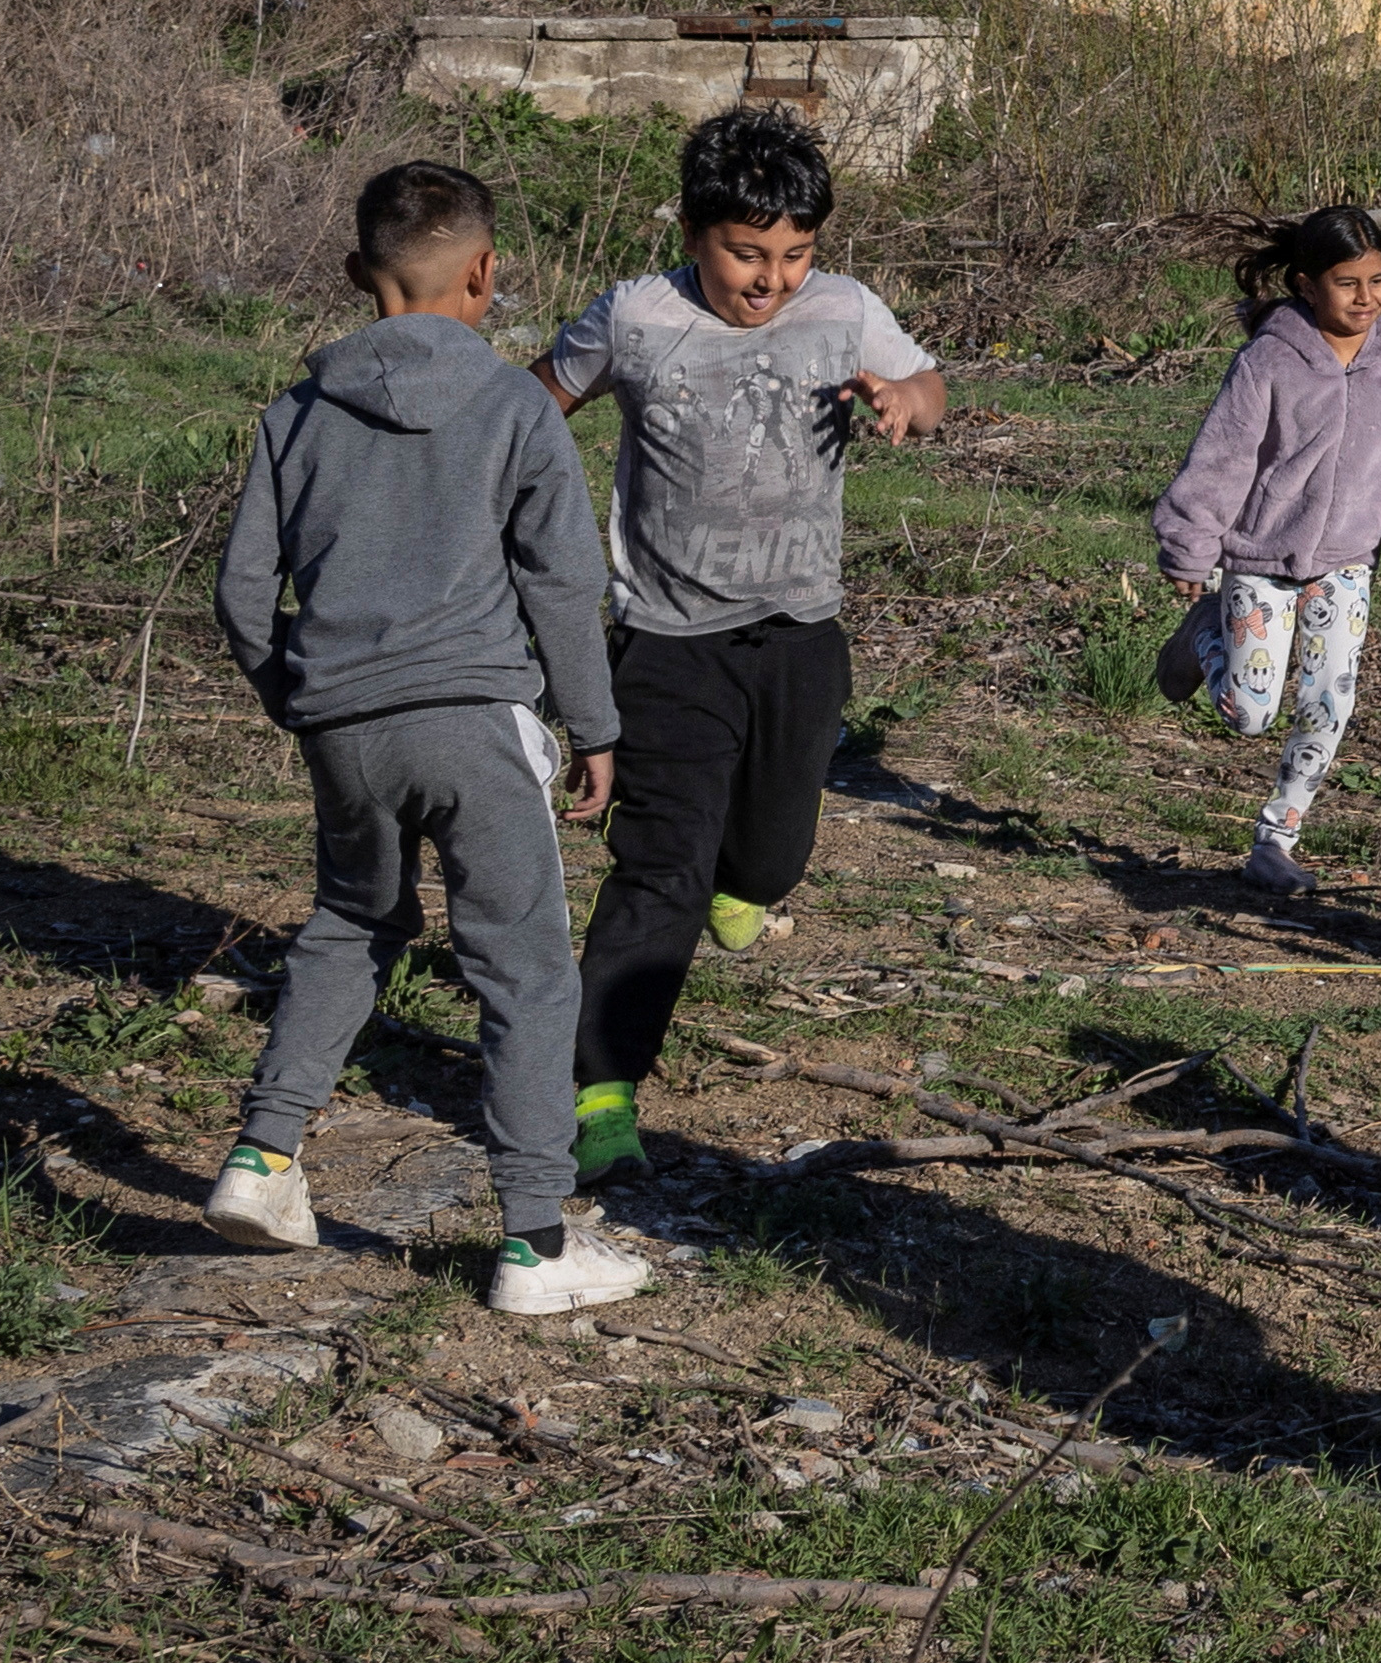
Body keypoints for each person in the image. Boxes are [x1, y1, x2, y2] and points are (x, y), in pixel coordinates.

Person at [203, 160, 651, 1317]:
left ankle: (262, 1159)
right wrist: (593, 725)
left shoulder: (292, 413)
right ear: (487, 273)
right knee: (524, 970)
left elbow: (243, 590)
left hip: (343, 726)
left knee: (351, 920)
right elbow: (561, 584)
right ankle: (537, 1241)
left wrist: (296, 695)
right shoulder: (514, 409)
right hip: (479, 726)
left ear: (361, 276)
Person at [534, 104, 943, 1187]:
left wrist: (907, 398)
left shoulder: (844, 311)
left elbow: (932, 387)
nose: (769, 280)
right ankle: (601, 1091)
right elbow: (532, 405)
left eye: (794, 255)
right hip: (668, 641)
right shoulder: (635, 316)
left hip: (802, 635)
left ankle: (748, 880)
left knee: (769, 858)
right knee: (659, 869)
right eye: (745, 253)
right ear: (694, 230)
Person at [1153, 205, 1381, 895]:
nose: (1368, 297)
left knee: (1329, 701)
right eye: (1348, 282)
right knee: (1250, 710)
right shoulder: (1269, 360)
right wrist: (1189, 542)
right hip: (1260, 557)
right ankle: (1203, 632)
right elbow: (1223, 459)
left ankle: (1277, 837)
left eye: (1379, 280)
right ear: (1304, 283)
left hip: (1348, 561)